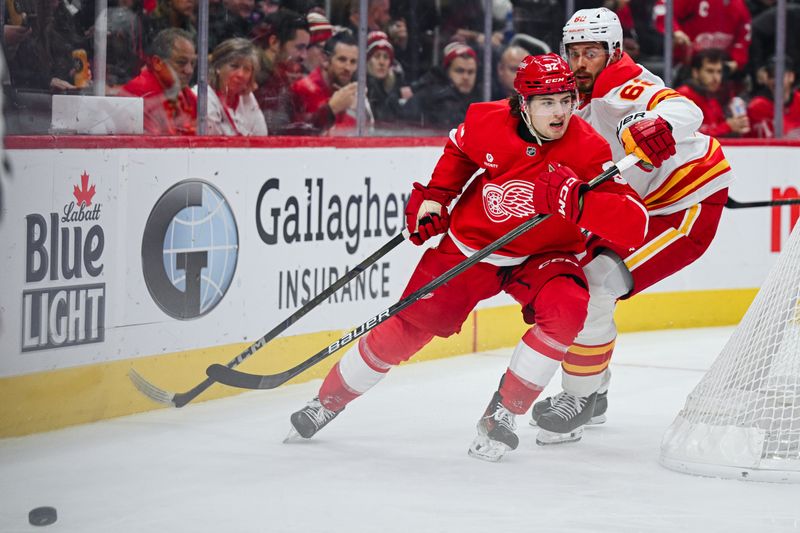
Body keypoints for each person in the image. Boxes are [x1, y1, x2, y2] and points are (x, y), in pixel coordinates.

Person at [286, 53, 649, 462]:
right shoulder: (486, 121)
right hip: (471, 247)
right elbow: (458, 150)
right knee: (403, 331)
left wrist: (580, 205)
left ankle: (503, 413)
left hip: (545, 254)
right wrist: (435, 198)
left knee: (567, 309)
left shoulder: (588, 148)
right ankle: (327, 402)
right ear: (523, 103)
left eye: (567, 99)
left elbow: (635, 224)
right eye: (548, 102)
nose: (561, 111)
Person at [530, 8, 735, 444]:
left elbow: (683, 108)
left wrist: (650, 122)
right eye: (574, 53)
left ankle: (580, 399)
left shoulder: (627, 86)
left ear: (614, 51)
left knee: (598, 284)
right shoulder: (572, 99)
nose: (581, 63)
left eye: (591, 53)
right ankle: (595, 389)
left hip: (685, 204)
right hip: (636, 207)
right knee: (579, 281)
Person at [120, 28, 198, 135]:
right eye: (181, 62)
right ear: (157, 63)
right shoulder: (139, 94)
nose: (189, 70)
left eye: (193, 63)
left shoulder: (185, 94)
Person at [291, 30, 369, 135]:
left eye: (353, 62)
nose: (348, 68)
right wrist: (331, 109)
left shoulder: (354, 92)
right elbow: (298, 135)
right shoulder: (302, 89)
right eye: (342, 60)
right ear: (325, 60)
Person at [251, 8, 310, 134]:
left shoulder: (282, 77)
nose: (304, 56)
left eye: (306, 49)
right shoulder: (253, 78)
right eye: (299, 47)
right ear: (274, 42)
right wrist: (330, 109)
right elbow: (274, 132)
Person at [400, 42, 481, 132]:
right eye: (459, 71)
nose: (466, 77)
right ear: (447, 71)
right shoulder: (433, 98)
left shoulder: (478, 99)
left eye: (471, 72)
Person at [199, 38, 267, 135]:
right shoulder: (202, 97)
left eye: (247, 69)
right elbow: (211, 143)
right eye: (234, 66)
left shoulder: (248, 97)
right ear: (218, 67)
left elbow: (261, 137)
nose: (241, 74)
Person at [676, 49, 750, 138]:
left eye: (719, 72)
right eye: (710, 71)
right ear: (695, 73)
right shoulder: (682, 96)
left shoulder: (711, 98)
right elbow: (689, 135)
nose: (716, 78)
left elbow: (717, 128)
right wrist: (727, 127)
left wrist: (736, 127)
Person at [747, 56, 800, 139]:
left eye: (780, 75)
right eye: (771, 76)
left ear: (791, 77)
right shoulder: (756, 107)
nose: (775, 80)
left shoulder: (798, 101)